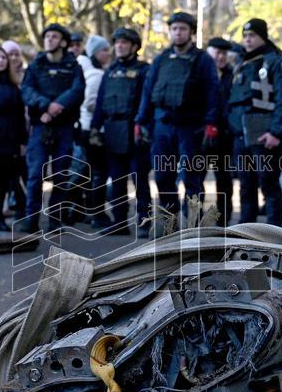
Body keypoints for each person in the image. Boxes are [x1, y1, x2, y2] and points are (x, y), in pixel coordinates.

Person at [136, 12, 220, 220]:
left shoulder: (203, 59)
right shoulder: (161, 59)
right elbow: (148, 91)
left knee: (191, 178)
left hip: (192, 128)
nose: (178, 33)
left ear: (191, 32)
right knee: (163, 177)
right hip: (163, 127)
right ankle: (169, 222)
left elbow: (213, 91)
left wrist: (211, 122)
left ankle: (192, 224)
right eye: (174, 29)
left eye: (182, 29)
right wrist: (140, 120)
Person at [226, 19, 282, 227]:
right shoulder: (243, 62)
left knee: (269, 185)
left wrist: (276, 132)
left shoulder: (275, 61)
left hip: (265, 136)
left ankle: (274, 234)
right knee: (246, 185)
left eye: (252, 35)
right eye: (245, 36)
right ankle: (246, 233)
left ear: (263, 36)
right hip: (242, 136)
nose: (247, 39)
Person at [18, 23, 85, 233]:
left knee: (61, 174)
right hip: (40, 127)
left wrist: (57, 107)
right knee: (35, 174)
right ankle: (31, 219)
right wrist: (46, 105)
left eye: (54, 37)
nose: (49, 40)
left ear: (63, 42)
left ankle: (55, 219)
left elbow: (77, 91)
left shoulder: (73, 66)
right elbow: (26, 90)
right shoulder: (36, 64)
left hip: (64, 127)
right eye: (47, 36)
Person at [89, 27, 151, 237]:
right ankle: (119, 222)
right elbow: (100, 103)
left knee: (139, 179)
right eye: (117, 42)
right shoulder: (110, 71)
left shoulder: (144, 70)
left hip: (134, 131)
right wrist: (95, 128)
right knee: (117, 180)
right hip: (112, 131)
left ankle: (144, 222)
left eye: (124, 42)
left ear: (134, 46)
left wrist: (144, 126)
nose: (119, 46)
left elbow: (147, 101)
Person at [0, 46, 27, 230]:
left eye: (3, 57)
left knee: (4, 180)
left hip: (10, 138)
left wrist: (22, 141)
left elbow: (19, 115)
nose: (0, 61)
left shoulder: (13, 86)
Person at [74, 35, 112, 228]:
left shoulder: (87, 70)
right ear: (96, 52)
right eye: (105, 50)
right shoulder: (95, 75)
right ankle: (96, 213)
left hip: (84, 127)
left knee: (87, 173)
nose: (108, 53)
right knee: (97, 173)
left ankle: (85, 211)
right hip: (91, 129)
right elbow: (91, 103)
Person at [205, 36, 236, 227]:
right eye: (217, 52)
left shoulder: (232, 76)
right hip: (202, 134)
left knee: (224, 178)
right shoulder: (200, 72)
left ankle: (223, 219)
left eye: (224, 53)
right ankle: (196, 218)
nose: (221, 57)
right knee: (195, 177)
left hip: (224, 136)